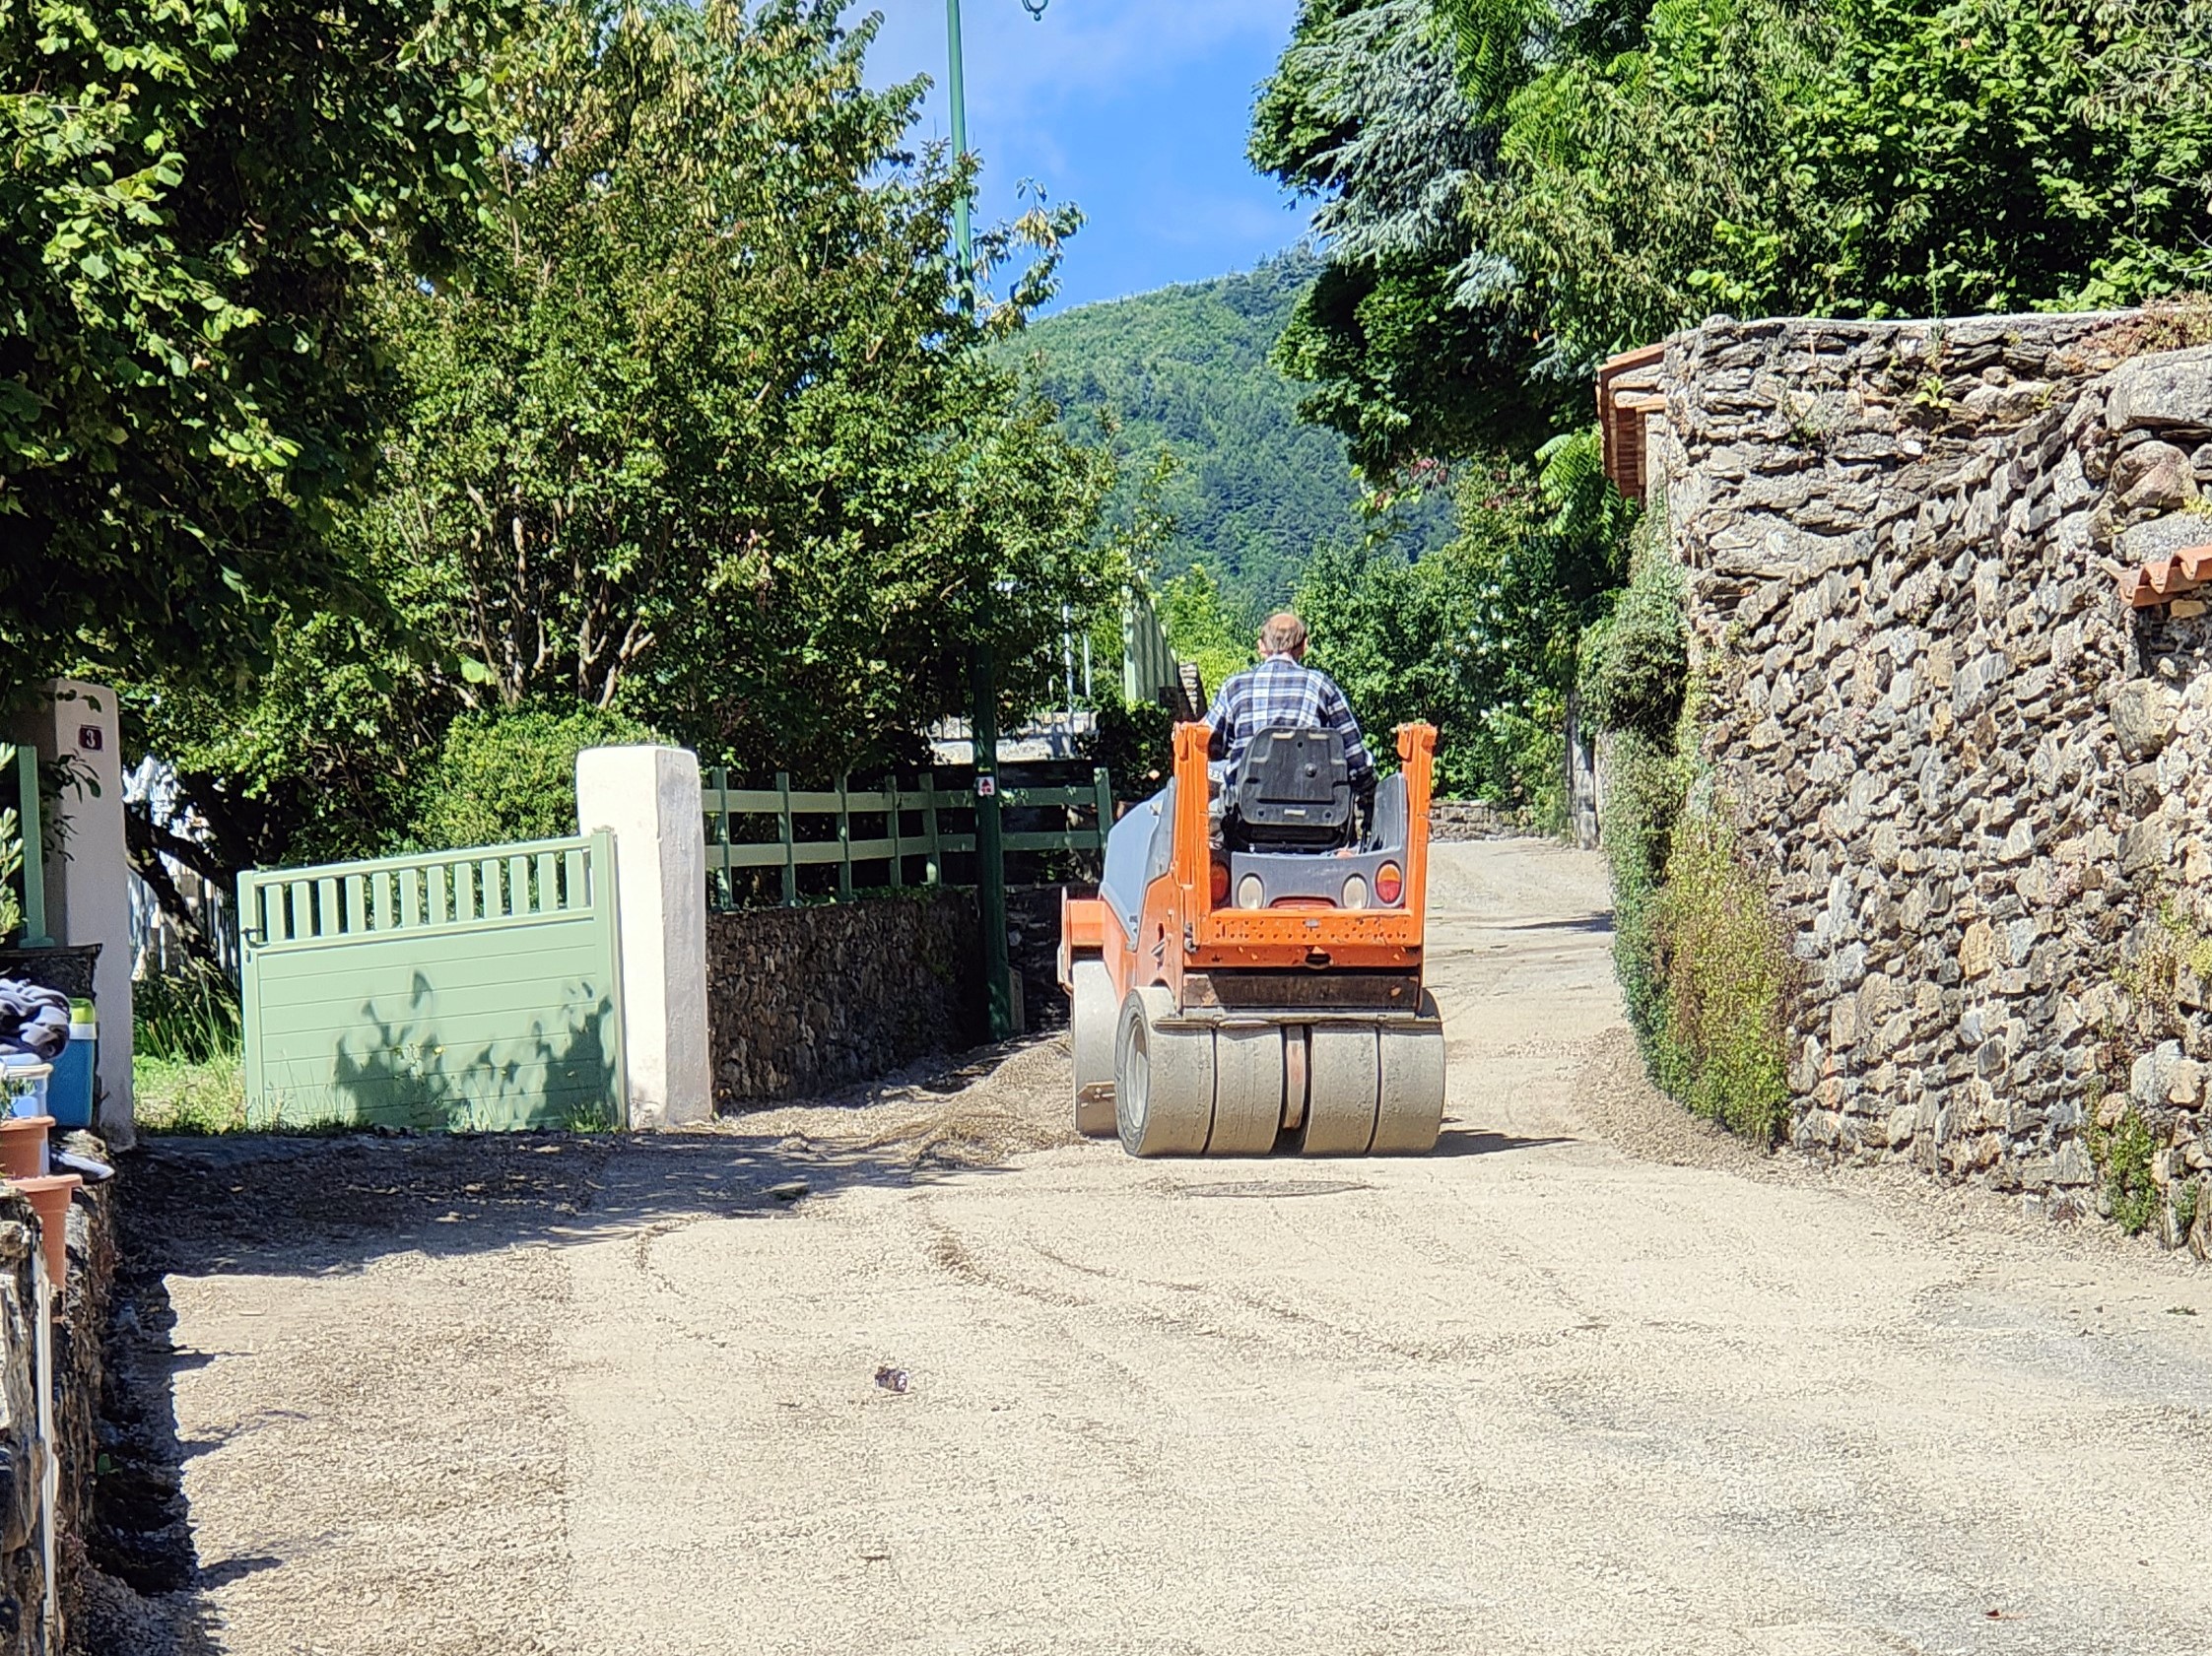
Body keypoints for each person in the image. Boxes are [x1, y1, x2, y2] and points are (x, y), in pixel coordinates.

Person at [1204, 611, 1374, 805]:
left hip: (1246, 814)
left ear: (1261, 647)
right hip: (1316, 814)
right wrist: (1368, 787)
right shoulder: (1321, 685)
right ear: (1304, 646)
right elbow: (1355, 757)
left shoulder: (1234, 687)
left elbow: (1208, 745)